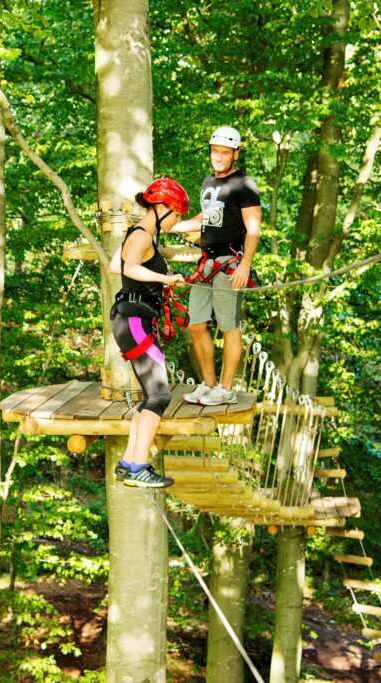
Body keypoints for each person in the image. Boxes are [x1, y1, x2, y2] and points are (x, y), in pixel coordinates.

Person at [171, 126, 261, 406]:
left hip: (230, 263)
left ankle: (226, 388)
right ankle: (208, 385)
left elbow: (253, 228)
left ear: (235, 154)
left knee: (228, 327)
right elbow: (206, 217)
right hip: (206, 261)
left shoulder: (244, 184)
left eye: (224, 152)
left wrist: (245, 265)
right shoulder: (208, 181)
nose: (219, 157)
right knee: (196, 324)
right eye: (215, 151)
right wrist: (171, 226)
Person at [108, 178, 189, 488]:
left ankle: (130, 464)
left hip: (132, 320)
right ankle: (140, 465)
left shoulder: (140, 235)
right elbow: (128, 269)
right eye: (177, 214)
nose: (177, 221)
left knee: (152, 396)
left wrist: (157, 277)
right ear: (162, 208)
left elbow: (117, 265)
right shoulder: (142, 235)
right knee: (160, 395)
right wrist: (164, 279)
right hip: (134, 320)